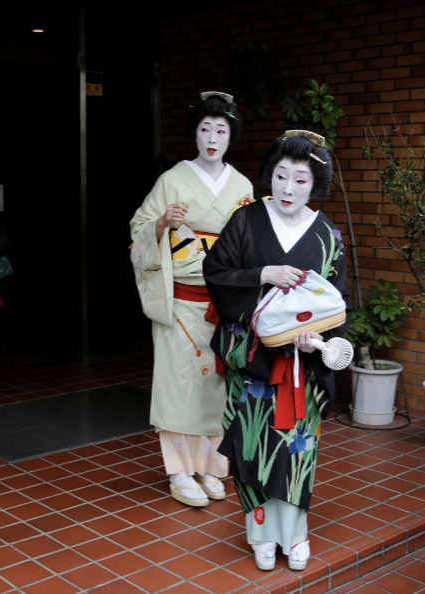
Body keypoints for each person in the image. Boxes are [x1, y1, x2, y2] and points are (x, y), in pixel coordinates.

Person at [203, 130, 350, 571]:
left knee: (296, 450)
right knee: (253, 446)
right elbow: (216, 271)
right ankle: (260, 533)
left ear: (315, 186)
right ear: (270, 175)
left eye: (301, 180)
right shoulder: (246, 220)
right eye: (281, 176)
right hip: (252, 362)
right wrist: (263, 272)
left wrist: (316, 337)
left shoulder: (327, 236)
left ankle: (297, 534)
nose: (288, 188)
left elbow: (336, 301)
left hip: (301, 367)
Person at [130, 92, 254, 507]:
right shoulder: (172, 179)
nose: (212, 137)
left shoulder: (242, 185)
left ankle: (212, 467)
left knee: (216, 386)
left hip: (223, 301)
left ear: (231, 135)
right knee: (177, 385)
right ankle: (179, 471)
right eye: (205, 129)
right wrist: (163, 221)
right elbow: (139, 228)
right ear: (194, 134)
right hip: (182, 298)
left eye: (221, 130)